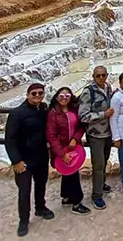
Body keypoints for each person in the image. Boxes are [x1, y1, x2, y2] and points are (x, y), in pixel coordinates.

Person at [5, 83, 54, 237]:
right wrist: (16, 161)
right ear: (27, 95)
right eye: (34, 93)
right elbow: (10, 140)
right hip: (24, 160)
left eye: (40, 93)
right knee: (24, 191)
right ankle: (24, 220)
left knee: (41, 184)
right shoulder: (17, 114)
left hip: (41, 156)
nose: (37, 96)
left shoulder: (43, 110)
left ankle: (40, 207)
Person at [46, 87, 90, 215]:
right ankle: (77, 203)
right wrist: (61, 154)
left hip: (73, 147)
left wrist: (76, 138)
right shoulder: (53, 113)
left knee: (68, 172)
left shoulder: (74, 109)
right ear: (56, 97)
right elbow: (51, 136)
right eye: (61, 96)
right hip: (60, 150)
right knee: (73, 174)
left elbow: (81, 126)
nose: (64, 98)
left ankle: (66, 197)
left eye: (67, 96)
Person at [79, 65, 115, 210]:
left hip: (108, 133)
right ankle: (96, 195)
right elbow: (83, 116)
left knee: (104, 161)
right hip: (95, 135)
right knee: (98, 165)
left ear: (107, 76)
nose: (101, 78)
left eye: (103, 75)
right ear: (93, 77)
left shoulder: (108, 88)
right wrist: (103, 114)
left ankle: (101, 184)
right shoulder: (88, 92)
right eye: (98, 76)